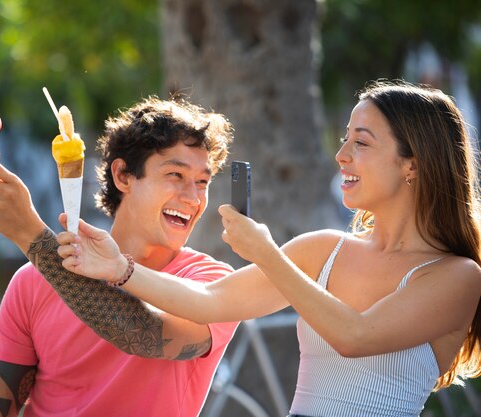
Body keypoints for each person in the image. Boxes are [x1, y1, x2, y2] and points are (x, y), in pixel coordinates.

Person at [57, 80, 481, 416]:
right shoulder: (324, 250)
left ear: (413, 164)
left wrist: (267, 254)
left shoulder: (456, 277)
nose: (341, 155)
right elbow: (208, 300)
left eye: (362, 143)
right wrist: (120, 268)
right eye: (345, 138)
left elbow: (355, 335)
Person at [0, 97, 239, 417]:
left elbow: (146, 335)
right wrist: (40, 250)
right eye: (175, 175)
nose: (192, 198)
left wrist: (33, 238)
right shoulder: (32, 282)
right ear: (123, 175)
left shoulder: (211, 284)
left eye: (202, 182)